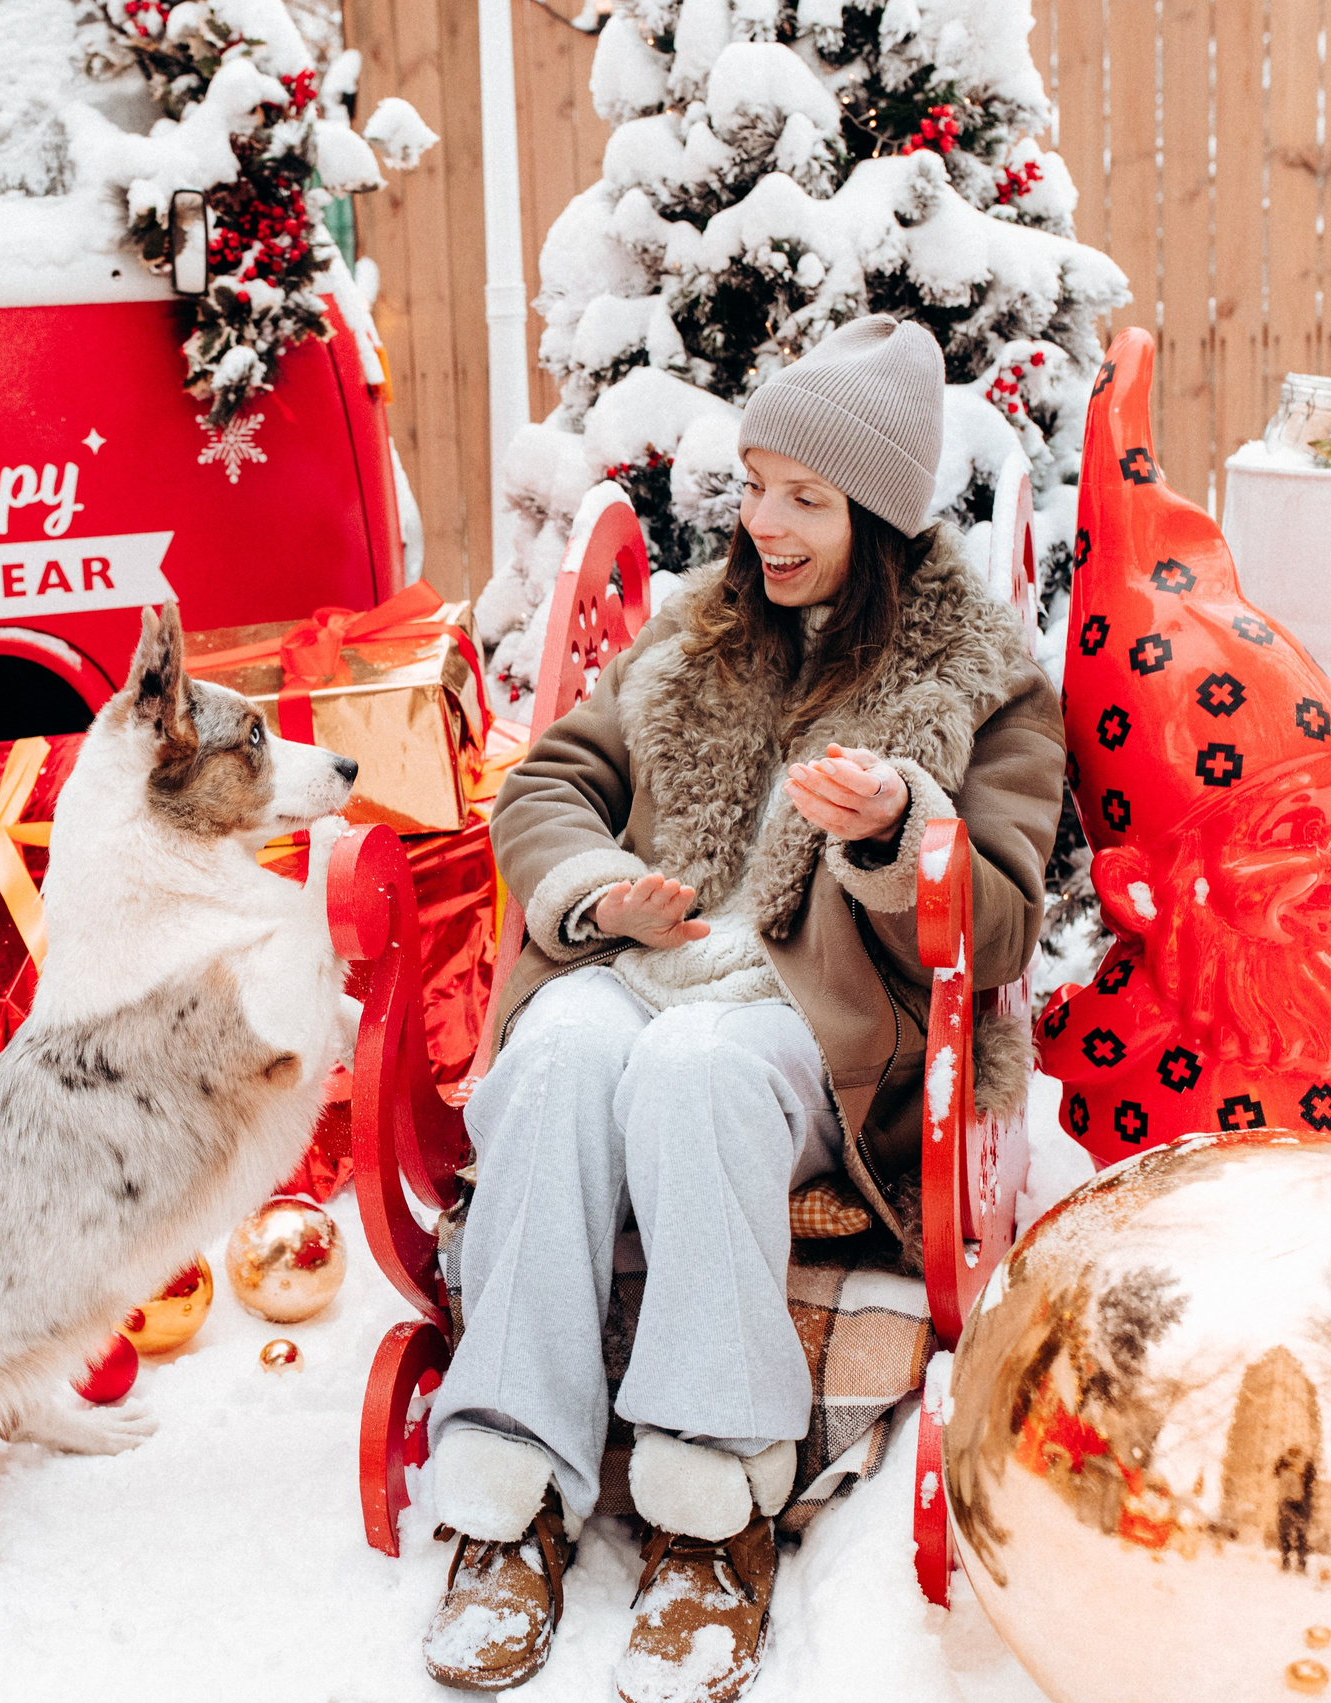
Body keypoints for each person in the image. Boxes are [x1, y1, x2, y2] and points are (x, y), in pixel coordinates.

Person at [417, 315, 1065, 1700]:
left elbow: (1002, 917)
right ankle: (509, 1482)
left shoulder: (983, 684)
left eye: (803, 498)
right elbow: (546, 786)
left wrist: (902, 827)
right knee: (565, 1048)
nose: (759, 521)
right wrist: (598, 891)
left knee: (696, 1062)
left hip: (821, 1039)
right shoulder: (694, 638)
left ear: (879, 517)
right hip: (648, 970)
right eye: (755, 481)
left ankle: (714, 1513)